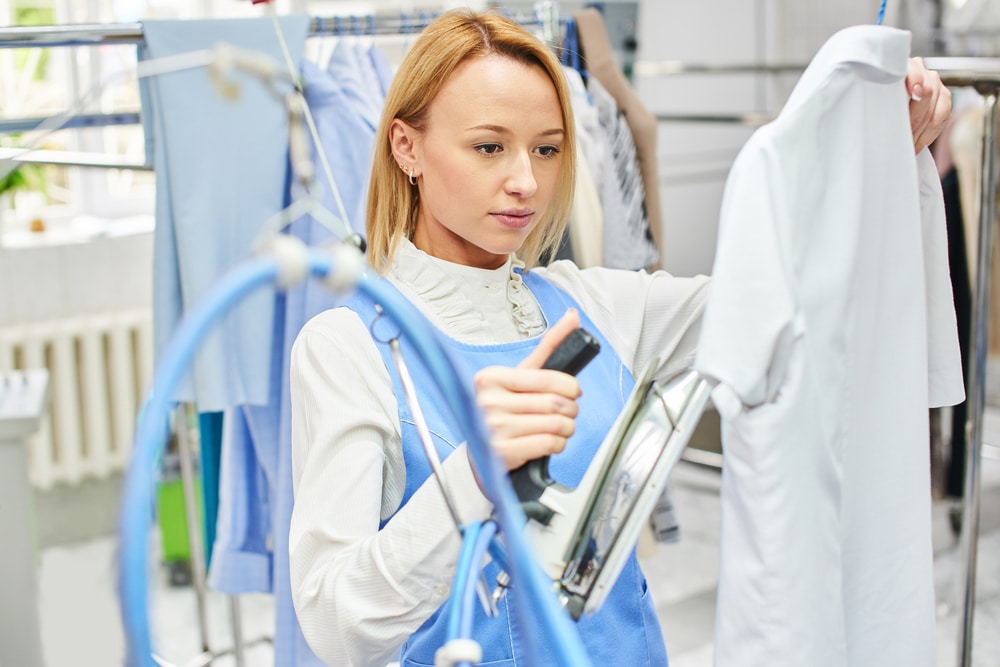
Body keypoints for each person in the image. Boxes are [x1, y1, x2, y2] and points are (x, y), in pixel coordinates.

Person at [288, 9, 952, 667]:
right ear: (407, 147)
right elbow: (334, 624)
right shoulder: (346, 348)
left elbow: (805, 306)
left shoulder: (598, 302)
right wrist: (470, 476)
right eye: (489, 147)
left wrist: (888, 149)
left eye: (547, 149)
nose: (526, 181)